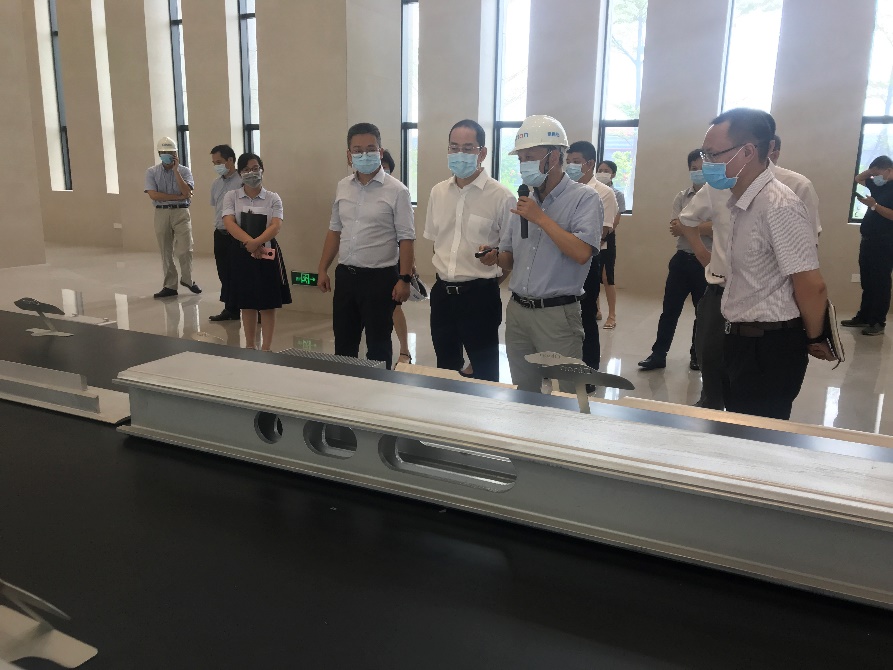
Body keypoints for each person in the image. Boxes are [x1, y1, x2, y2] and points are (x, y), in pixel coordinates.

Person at [695, 107, 833, 420]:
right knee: (738, 427)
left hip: (769, 346)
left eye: (713, 154)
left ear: (747, 152)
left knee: (758, 437)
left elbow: (811, 284)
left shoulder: (778, 205)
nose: (706, 164)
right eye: (704, 154)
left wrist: (814, 338)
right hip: (741, 339)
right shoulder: (741, 201)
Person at [479, 115, 601, 393]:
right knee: (525, 392)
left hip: (557, 315)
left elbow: (582, 253)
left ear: (554, 157)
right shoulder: (524, 201)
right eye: (521, 159)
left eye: (530, 157)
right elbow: (511, 259)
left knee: (567, 395)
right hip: (518, 312)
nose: (524, 165)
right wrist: (495, 256)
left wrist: (541, 219)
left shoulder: (584, 198)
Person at [317, 122, 415, 369]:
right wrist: (322, 268)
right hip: (346, 277)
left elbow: (406, 238)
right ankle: (344, 386)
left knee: (378, 346)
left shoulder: (397, 191)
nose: (364, 154)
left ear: (380, 151)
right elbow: (335, 230)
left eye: (370, 149)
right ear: (349, 155)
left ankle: (379, 389)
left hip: (380, 279)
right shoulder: (342, 186)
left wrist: (404, 279)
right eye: (357, 150)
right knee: (344, 344)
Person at [424, 119, 514, 382]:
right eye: (454, 147)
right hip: (442, 295)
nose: (459, 154)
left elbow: (510, 257)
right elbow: (437, 242)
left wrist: (489, 276)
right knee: (446, 369)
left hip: (480, 297)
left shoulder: (501, 197)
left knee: (484, 373)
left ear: (482, 153)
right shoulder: (438, 192)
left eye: (467, 148)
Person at [638, 150, 710, 372]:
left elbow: (717, 228)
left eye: (702, 168)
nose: (698, 172)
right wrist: (700, 227)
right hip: (681, 260)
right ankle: (658, 354)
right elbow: (674, 227)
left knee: (702, 313)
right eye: (694, 168)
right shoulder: (682, 197)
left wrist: (688, 226)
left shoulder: (719, 196)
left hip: (706, 262)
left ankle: (697, 355)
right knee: (669, 310)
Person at [221, 153, 292, 350]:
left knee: (268, 303)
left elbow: (276, 225)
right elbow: (229, 223)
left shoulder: (273, 198)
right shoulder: (231, 196)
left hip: (267, 252)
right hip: (241, 253)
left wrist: (257, 243)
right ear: (240, 173)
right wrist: (249, 243)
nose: (251, 173)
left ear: (262, 170)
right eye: (246, 169)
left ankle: (267, 347)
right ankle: (250, 346)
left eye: (255, 168)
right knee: (247, 302)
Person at [566, 140, 617, 372]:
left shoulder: (604, 193)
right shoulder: (563, 190)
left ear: (589, 164)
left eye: (576, 162)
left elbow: (602, 232)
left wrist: (568, 237)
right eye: (568, 162)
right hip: (562, 260)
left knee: (586, 315)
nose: (571, 166)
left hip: (588, 260)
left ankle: (589, 370)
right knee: (562, 317)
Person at [144, 136, 201, 298]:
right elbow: (153, 195)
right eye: (164, 153)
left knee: (185, 248)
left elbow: (187, 192)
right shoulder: (152, 172)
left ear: (176, 154)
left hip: (181, 212)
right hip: (161, 213)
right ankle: (170, 285)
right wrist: (177, 197)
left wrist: (176, 171)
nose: (167, 155)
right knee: (165, 250)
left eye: (170, 153)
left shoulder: (185, 171)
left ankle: (187, 279)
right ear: (159, 154)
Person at [843, 155, 893, 336]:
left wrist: (874, 206)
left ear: (889, 170)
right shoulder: (880, 186)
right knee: (867, 281)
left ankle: (878, 321)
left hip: (885, 242)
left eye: (879, 173)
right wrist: (872, 171)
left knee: (880, 282)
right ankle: (864, 316)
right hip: (868, 240)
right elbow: (859, 178)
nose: (875, 177)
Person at [380, 148, 412, 363]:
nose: (382, 171)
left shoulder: (398, 192)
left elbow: (407, 236)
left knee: (395, 306)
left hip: (395, 258)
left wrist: (409, 268)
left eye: (386, 168)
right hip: (374, 261)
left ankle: (404, 350)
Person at [209, 144, 243, 321]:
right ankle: (231, 309)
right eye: (214, 163)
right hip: (220, 233)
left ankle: (252, 309)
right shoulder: (216, 184)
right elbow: (216, 207)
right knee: (224, 272)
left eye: (219, 162)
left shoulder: (242, 182)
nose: (216, 166)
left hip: (237, 235)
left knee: (240, 273)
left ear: (230, 160)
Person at [594, 160, 624, 329]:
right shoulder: (592, 190)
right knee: (593, 275)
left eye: (606, 170)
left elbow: (615, 221)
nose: (602, 173)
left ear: (613, 174)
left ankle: (612, 315)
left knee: (607, 277)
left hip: (607, 238)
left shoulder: (617, 194)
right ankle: (596, 309)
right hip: (591, 237)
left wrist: (603, 237)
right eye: (600, 170)